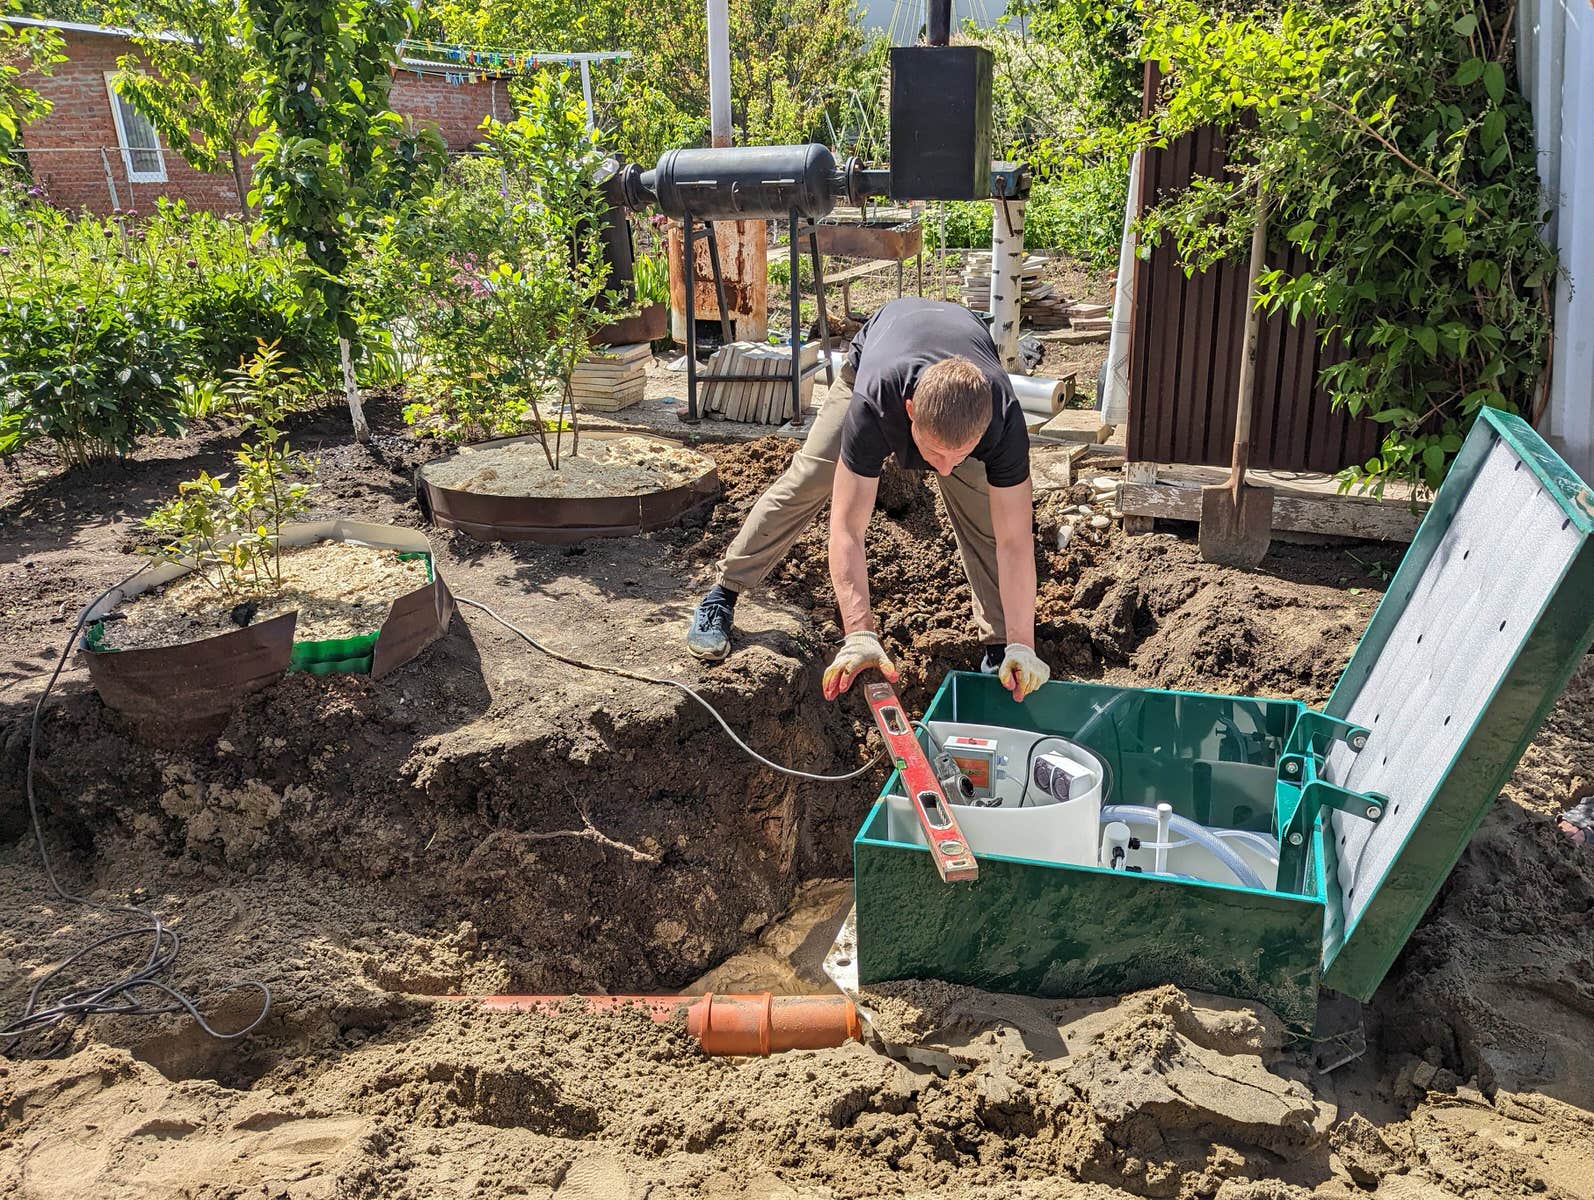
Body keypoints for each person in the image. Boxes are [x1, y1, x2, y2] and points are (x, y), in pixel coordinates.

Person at [685, 298, 1049, 703]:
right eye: (934, 454)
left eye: (958, 455)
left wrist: (1024, 642)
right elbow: (846, 528)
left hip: (957, 373)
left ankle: (1003, 650)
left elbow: (1016, 541)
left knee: (986, 518)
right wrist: (859, 633)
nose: (942, 471)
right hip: (877, 356)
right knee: (809, 478)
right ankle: (724, 590)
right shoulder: (874, 405)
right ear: (909, 413)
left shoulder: (1002, 419)